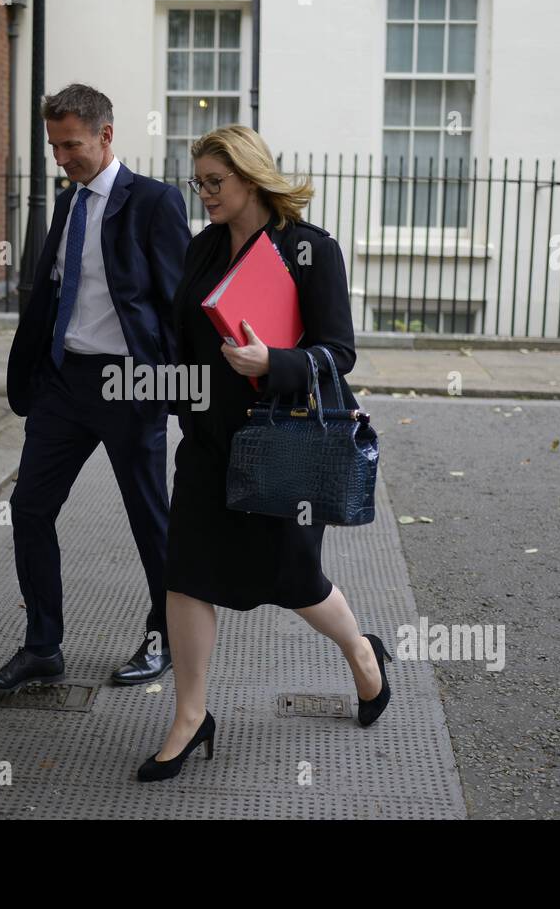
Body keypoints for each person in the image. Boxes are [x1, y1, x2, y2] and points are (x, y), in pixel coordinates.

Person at [136, 124, 392, 782]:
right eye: (199, 183)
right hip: (206, 443)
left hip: (283, 444)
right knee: (185, 572)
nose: (205, 195)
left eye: (215, 183)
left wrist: (270, 361)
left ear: (251, 177)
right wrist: (155, 389)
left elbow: (337, 352)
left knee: (293, 580)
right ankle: (191, 715)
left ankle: (364, 656)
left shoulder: (310, 249)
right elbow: (185, 346)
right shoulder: (201, 251)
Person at [0, 84, 190, 693]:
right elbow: (54, 290)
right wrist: (38, 372)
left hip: (128, 383)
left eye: (72, 146)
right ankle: (42, 647)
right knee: (31, 508)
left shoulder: (154, 201)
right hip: (64, 384)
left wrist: (167, 387)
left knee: (150, 519)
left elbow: (178, 308)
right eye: (54, 147)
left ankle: (163, 640)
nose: (62, 159)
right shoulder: (69, 203)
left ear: (106, 135)